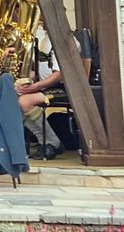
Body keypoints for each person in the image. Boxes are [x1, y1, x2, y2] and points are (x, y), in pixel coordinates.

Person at [16, 20, 80, 159]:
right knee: (13, 100)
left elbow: (59, 75)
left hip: (66, 88)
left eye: (45, 18)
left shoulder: (65, 41)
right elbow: (41, 67)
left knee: (25, 101)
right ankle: (45, 141)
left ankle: (52, 142)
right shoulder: (46, 38)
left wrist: (35, 87)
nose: (41, 21)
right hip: (46, 85)